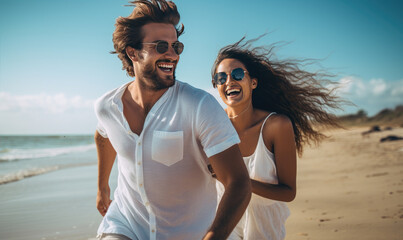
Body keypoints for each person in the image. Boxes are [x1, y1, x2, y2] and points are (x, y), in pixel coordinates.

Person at [93, 1, 251, 239]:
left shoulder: (199, 106)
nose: (172, 54)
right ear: (133, 52)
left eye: (176, 46)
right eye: (161, 46)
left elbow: (238, 183)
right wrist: (102, 186)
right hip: (125, 224)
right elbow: (103, 135)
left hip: (190, 233)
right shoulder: (107, 106)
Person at [211, 37, 342, 240]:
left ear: (252, 82)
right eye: (221, 78)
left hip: (265, 233)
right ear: (216, 86)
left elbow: (288, 192)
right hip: (222, 230)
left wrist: (240, 182)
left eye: (237, 74)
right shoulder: (212, 126)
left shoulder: (276, 126)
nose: (229, 82)